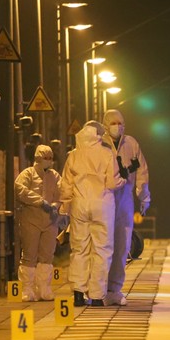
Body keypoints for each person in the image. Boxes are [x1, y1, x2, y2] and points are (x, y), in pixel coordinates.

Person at [59, 121, 124, 307]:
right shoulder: (106, 154)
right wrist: (123, 180)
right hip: (102, 205)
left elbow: (65, 186)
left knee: (79, 249)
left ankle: (78, 294)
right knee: (102, 250)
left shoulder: (73, 155)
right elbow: (112, 183)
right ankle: (96, 296)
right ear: (97, 135)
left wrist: (65, 206)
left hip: (79, 205)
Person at [101, 109, 151, 306]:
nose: (117, 126)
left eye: (120, 122)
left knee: (122, 245)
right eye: (113, 122)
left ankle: (114, 289)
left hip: (124, 201)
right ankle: (98, 288)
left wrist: (144, 196)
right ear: (105, 124)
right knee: (103, 247)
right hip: (103, 199)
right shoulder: (99, 144)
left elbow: (142, 171)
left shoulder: (131, 144)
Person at [14, 144, 61, 302]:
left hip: (50, 221)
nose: (48, 161)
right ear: (38, 158)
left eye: (50, 158)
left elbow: (62, 193)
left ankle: (44, 288)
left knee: (47, 256)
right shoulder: (28, 174)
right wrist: (41, 202)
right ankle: (27, 288)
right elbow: (20, 190)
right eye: (45, 158)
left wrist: (55, 206)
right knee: (29, 255)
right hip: (31, 220)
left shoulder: (55, 176)